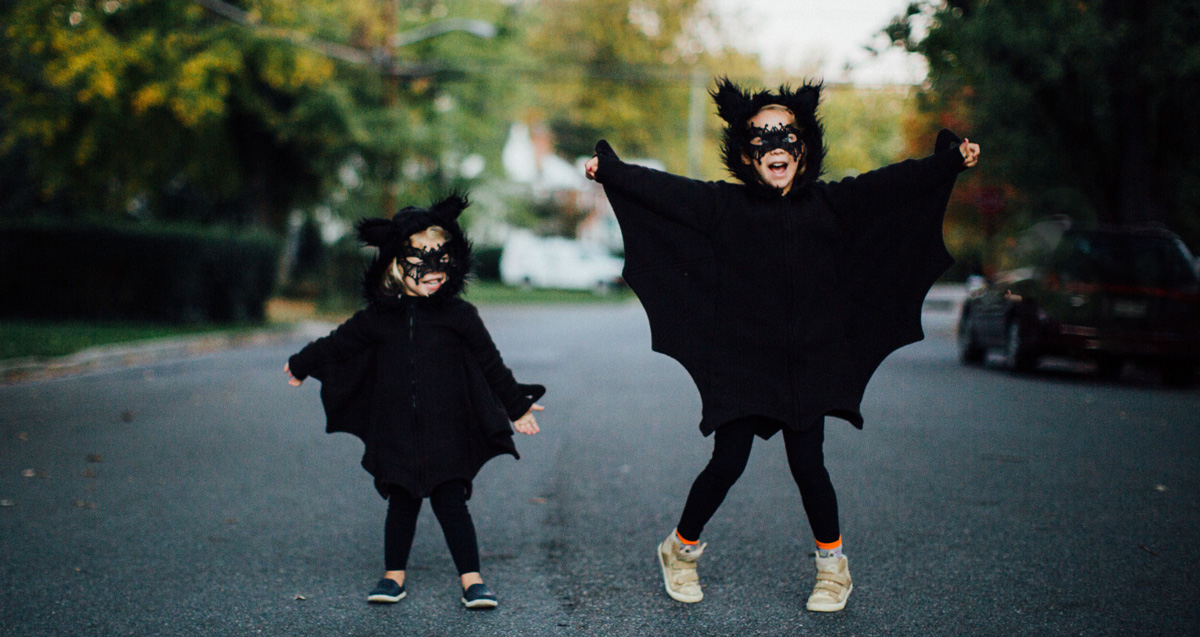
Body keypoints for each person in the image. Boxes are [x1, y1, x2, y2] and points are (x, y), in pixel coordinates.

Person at [584, 78, 980, 612]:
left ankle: (832, 569)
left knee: (808, 464)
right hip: (743, 358)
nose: (776, 146)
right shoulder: (723, 206)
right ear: (746, 156)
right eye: (762, 138)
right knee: (728, 461)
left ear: (804, 147)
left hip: (807, 360)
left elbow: (892, 186)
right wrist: (611, 170)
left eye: (786, 135)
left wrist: (948, 162)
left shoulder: (831, 204)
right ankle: (679, 550)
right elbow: (665, 191)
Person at [284, 194, 546, 609]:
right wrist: (301, 363)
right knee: (401, 503)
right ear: (395, 264)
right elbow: (338, 343)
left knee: (451, 503)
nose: (434, 270)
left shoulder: (459, 316)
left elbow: (491, 363)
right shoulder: (378, 318)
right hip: (396, 432)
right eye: (422, 259)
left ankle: (472, 580)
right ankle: (393, 577)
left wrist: (517, 407)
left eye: (442, 258)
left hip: (449, 433)